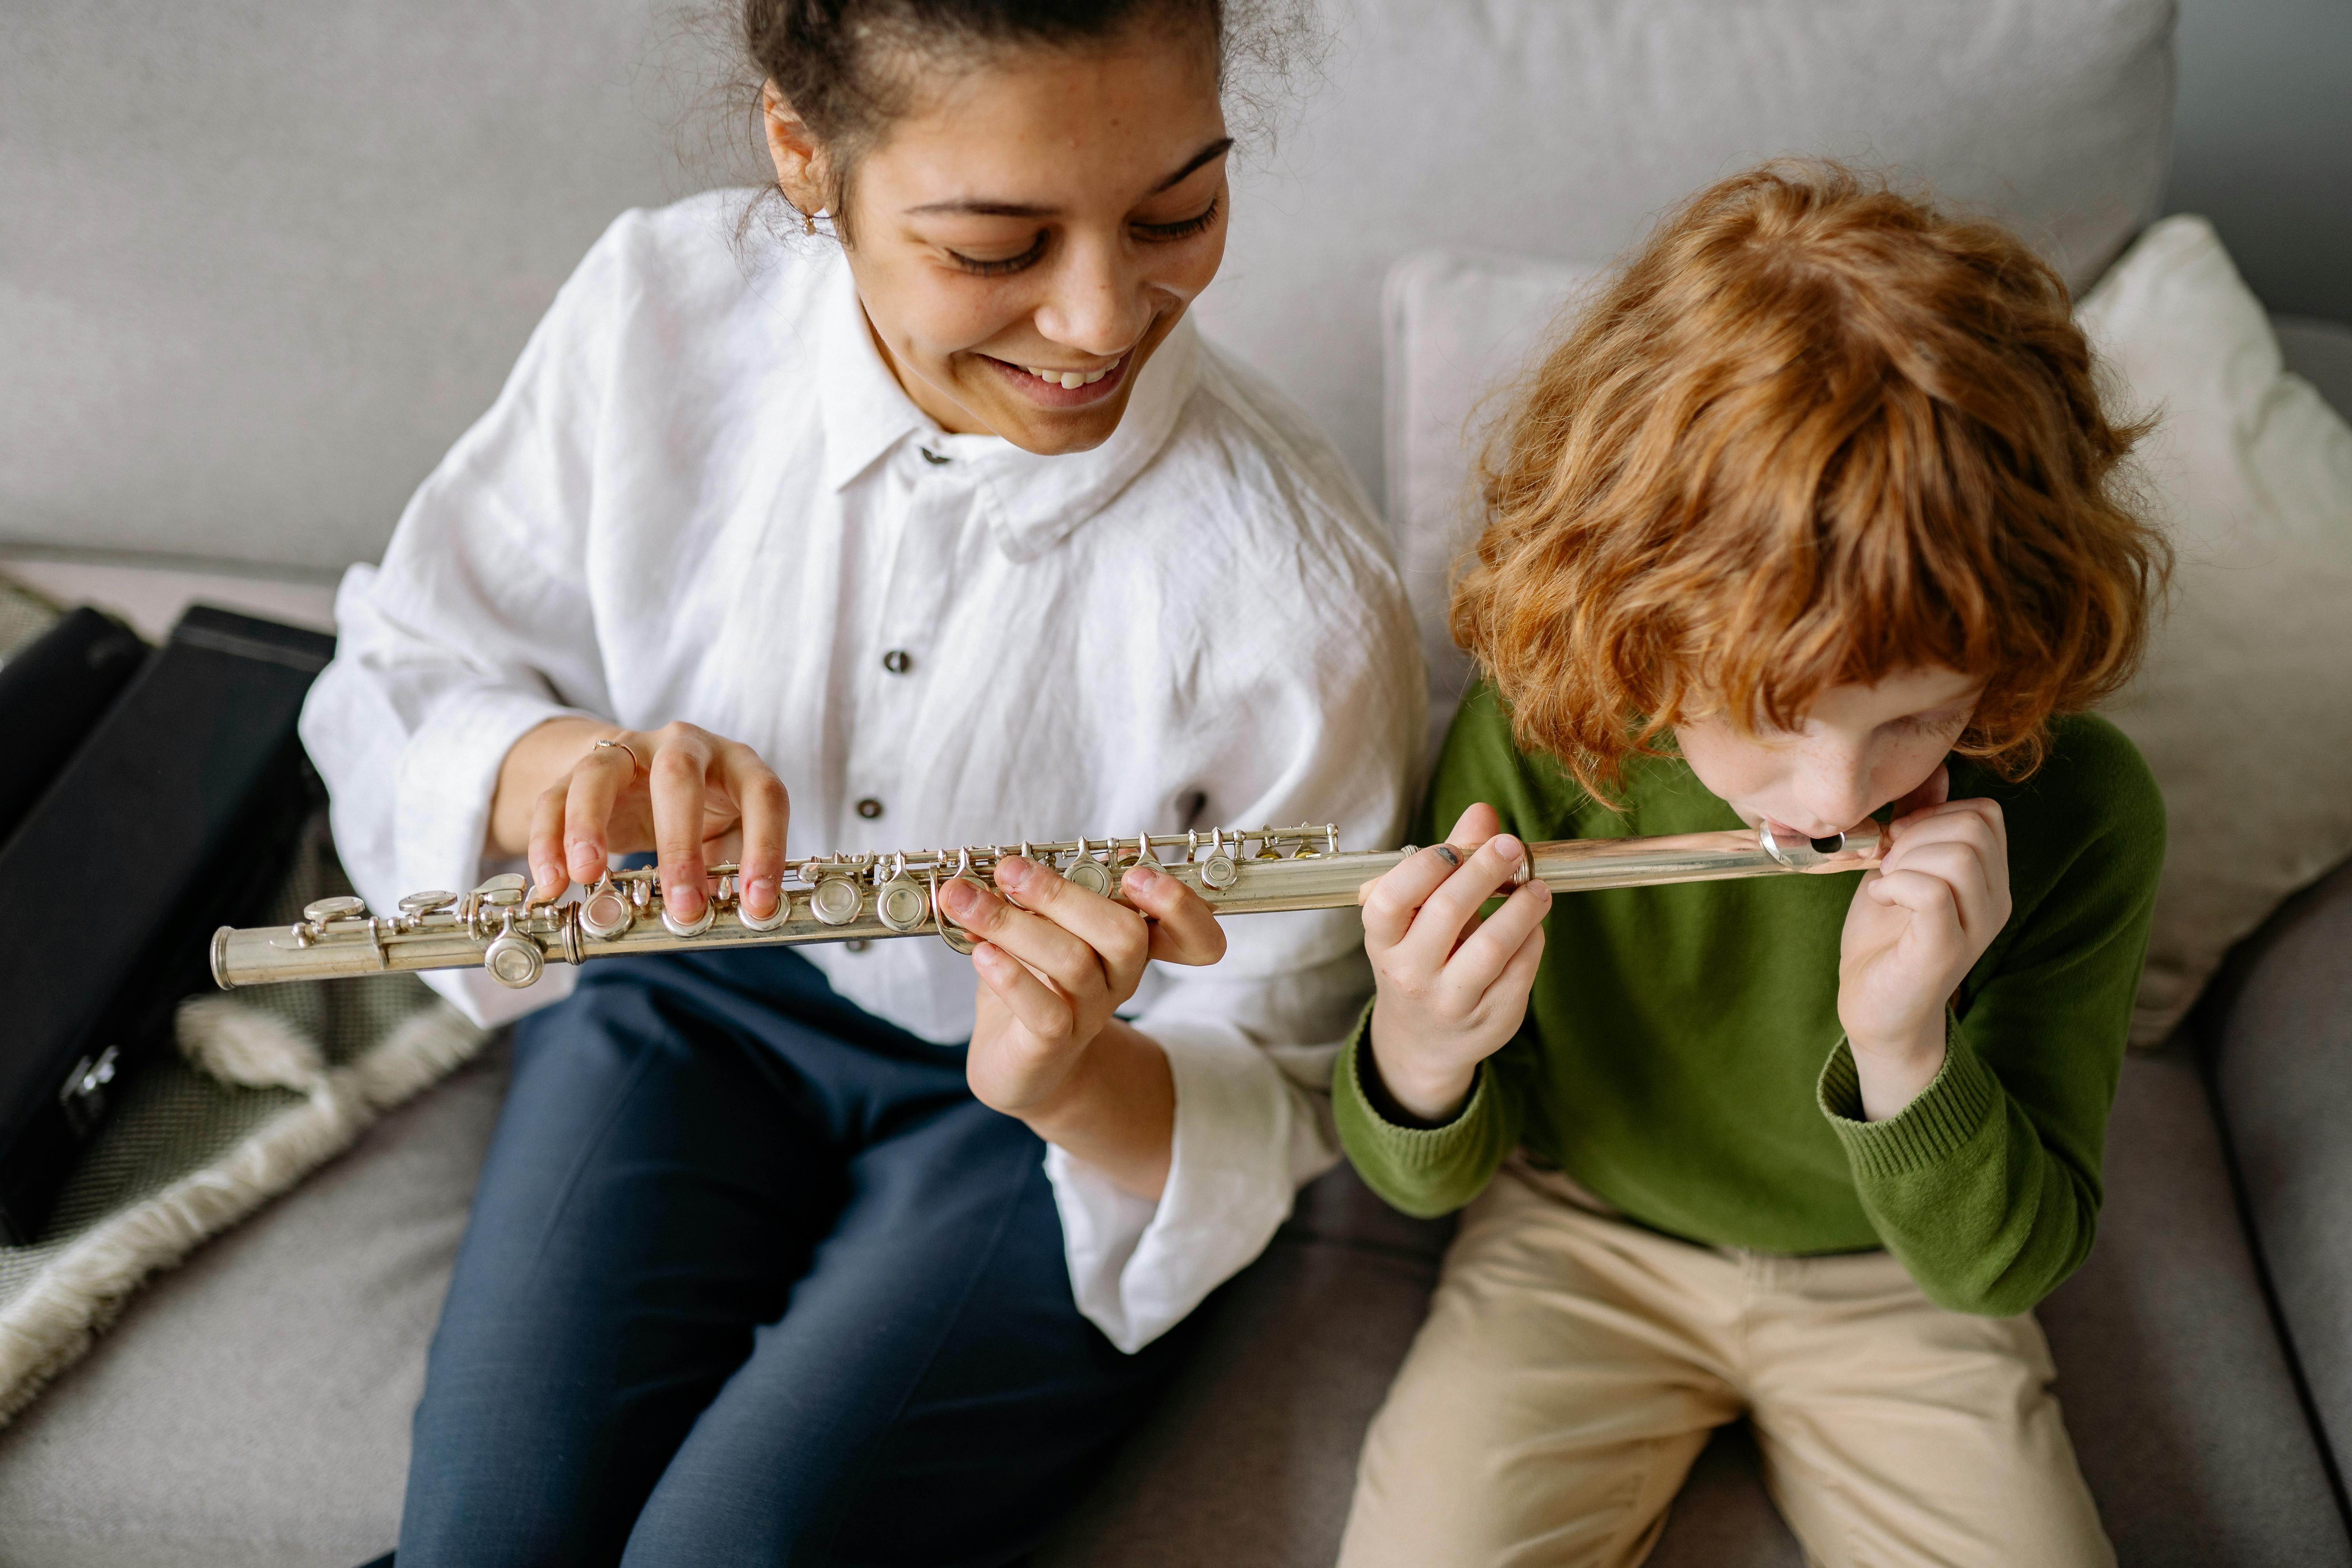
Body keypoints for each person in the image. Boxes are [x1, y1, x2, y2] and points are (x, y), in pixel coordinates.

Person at [300, 0, 1421, 1561]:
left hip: (1043, 1124)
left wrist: (1072, 1075)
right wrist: (548, 767)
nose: (1101, 318)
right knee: (487, 1533)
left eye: (1178, 212)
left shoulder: (1300, 592)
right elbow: (407, 662)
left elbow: (1291, 1066)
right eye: (995, 247)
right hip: (682, 990)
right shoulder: (660, 309)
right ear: (801, 156)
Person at [1331, 163, 2169, 1567]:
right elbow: (1422, 1182)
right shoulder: (1548, 739)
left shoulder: (2081, 809)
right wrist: (1421, 1045)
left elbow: (2009, 1262)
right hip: (1579, 1245)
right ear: (1638, 630)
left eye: (1924, 716)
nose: (1843, 798)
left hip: (1898, 1290)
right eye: (1775, 723)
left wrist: (1905, 1048)